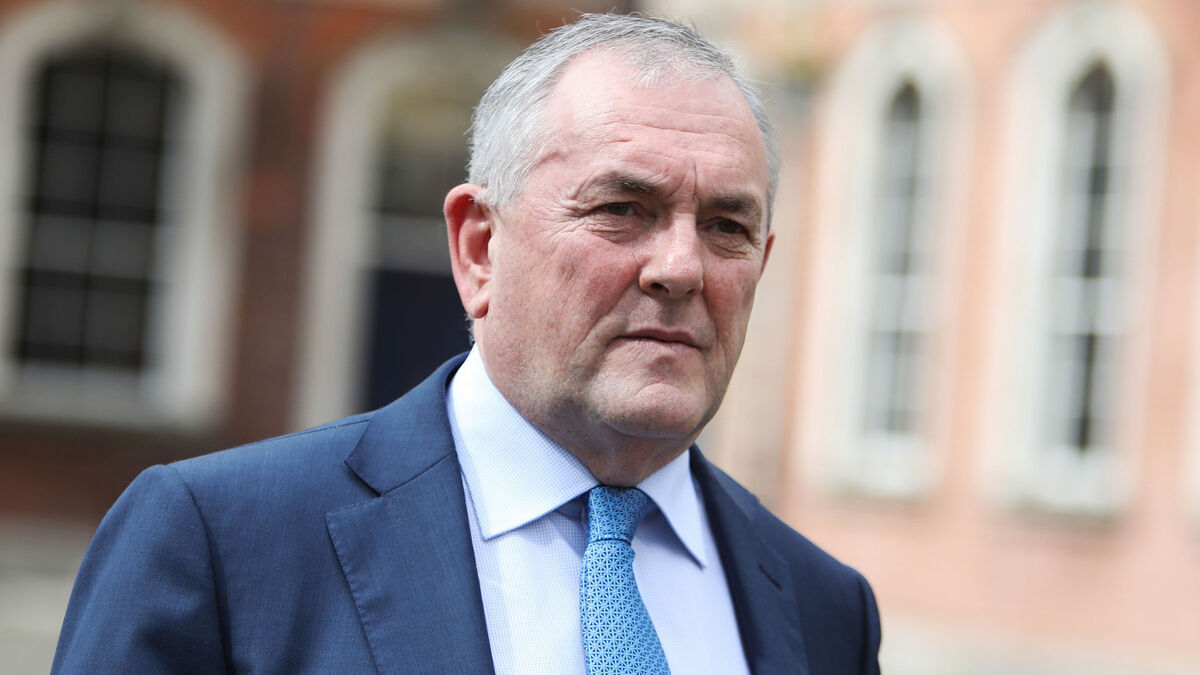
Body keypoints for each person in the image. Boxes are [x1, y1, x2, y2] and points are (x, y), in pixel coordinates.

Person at [53, 13, 880, 674]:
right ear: (480, 248)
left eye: (727, 226)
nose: (680, 267)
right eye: (622, 210)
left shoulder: (825, 609)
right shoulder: (221, 543)